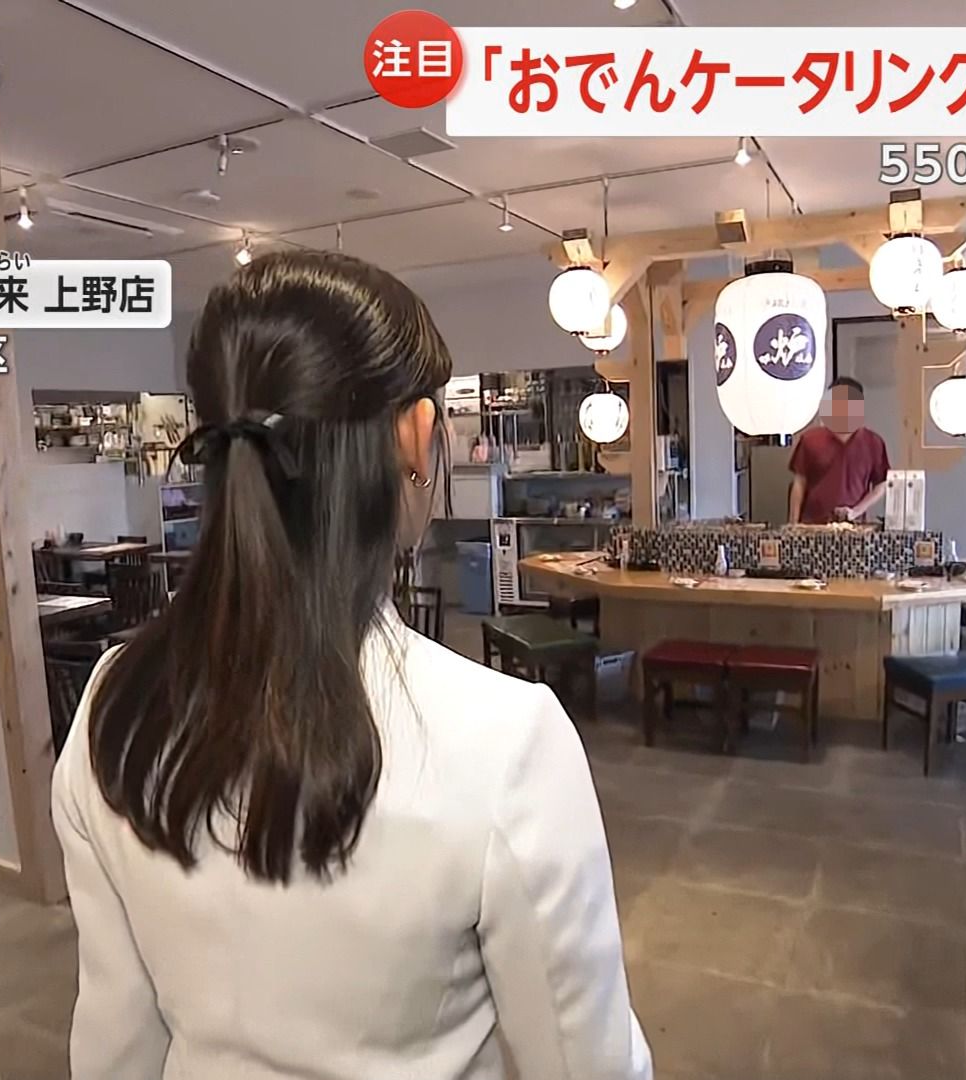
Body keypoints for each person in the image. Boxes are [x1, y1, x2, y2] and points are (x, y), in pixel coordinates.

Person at [52, 252, 651, 1080]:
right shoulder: (507, 741)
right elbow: (589, 1066)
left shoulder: (112, 706)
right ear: (415, 437)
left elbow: (115, 1050)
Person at [788, 376, 891, 525]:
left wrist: (856, 511)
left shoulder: (873, 443)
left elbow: (881, 484)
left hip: (854, 527)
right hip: (812, 526)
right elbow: (799, 483)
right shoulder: (810, 439)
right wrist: (793, 524)